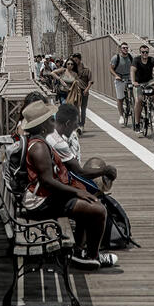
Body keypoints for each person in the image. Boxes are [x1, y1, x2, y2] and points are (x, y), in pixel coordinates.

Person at [20, 100, 118, 269]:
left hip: (46, 197)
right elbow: (48, 182)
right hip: (41, 203)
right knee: (98, 209)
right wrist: (76, 192)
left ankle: (80, 252)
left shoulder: (41, 142)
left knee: (88, 204)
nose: (54, 122)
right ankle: (91, 257)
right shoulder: (39, 148)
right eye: (51, 120)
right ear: (42, 126)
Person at [47, 104, 117, 193]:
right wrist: (105, 171)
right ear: (68, 123)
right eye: (75, 124)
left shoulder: (50, 133)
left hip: (57, 178)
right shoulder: (58, 143)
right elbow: (80, 173)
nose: (76, 127)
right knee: (97, 205)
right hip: (58, 187)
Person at [130, 44, 154, 137]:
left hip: (149, 81)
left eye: (146, 52)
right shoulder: (136, 60)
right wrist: (133, 81)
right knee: (138, 101)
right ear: (140, 53)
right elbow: (132, 71)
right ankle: (137, 123)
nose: (145, 54)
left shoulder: (151, 59)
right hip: (139, 82)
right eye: (143, 52)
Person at [109, 42, 133, 125]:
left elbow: (134, 68)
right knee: (120, 98)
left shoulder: (130, 57)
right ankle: (121, 116)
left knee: (135, 94)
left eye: (126, 47)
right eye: (124, 48)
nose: (125, 49)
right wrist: (116, 76)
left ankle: (133, 106)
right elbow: (111, 69)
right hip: (120, 79)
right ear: (120, 49)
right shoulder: (116, 58)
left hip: (129, 78)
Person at [71, 52, 93, 132]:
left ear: (79, 60)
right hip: (75, 92)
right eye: (74, 60)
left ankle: (82, 124)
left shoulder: (86, 70)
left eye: (76, 60)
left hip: (84, 91)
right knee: (76, 108)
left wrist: (87, 89)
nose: (75, 62)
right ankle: (77, 125)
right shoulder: (72, 69)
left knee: (83, 108)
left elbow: (90, 81)